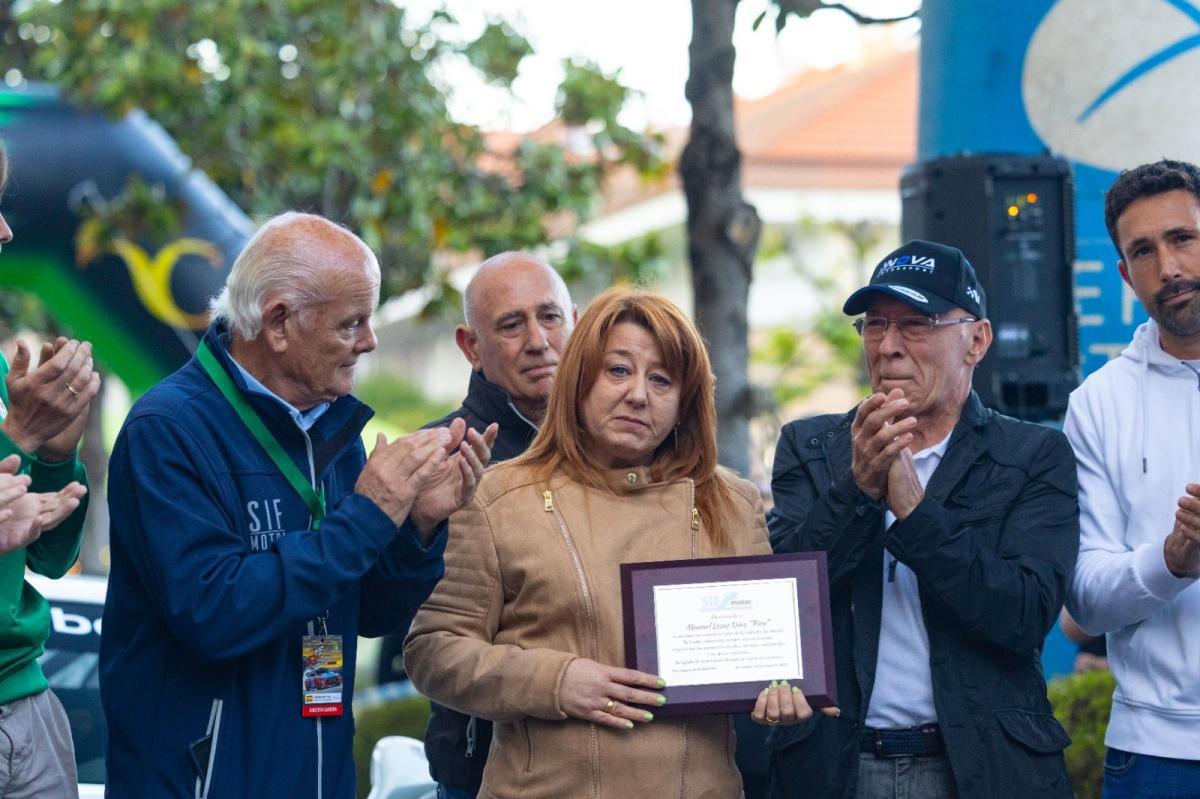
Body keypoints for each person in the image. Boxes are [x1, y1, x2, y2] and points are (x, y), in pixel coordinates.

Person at [100, 211, 496, 798]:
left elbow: (370, 614)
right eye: (351, 323)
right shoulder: (168, 428)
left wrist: (417, 524)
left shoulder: (333, 430)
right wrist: (368, 514)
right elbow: (214, 611)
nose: (369, 341)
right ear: (279, 322)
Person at [405, 287, 824, 799]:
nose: (639, 395)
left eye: (662, 379)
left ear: (686, 401)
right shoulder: (497, 497)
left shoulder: (731, 501)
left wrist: (782, 691)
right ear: (579, 379)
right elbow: (433, 651)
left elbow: (769, 657)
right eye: (618, 371)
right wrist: (556, 681)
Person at [766, 240, 1079, 798]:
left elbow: (1023, 614)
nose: (887, 346)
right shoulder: (811, 448)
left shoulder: (1033, 455)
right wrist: (858, 488)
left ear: (976, 340)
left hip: (982, 769)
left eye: (915, 324)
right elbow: (783, 602)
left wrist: (914, 511)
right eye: (875, 324)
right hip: (838, 766)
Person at [376, 251, 577, 799]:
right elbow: (402, 627)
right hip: (484, 771)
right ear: (470, 346)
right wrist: (419, 524)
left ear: (576, 321)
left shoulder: (634, 445)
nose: (538, 340)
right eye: (511, 325)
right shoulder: (438, 457)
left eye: (550, 316)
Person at [1065, 159, 1200, 797]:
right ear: (1124, 273)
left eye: (1182, 238)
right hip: (1155, 752)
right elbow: (1085, 599)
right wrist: (1171, 560)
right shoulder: (1098, 403)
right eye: (1143, 251)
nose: (1168, 267)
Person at [0, 140, 99, 798]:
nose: (6, 230)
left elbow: (46, 554)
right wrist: (21, 434)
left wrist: (56, 454)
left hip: (26, 698)